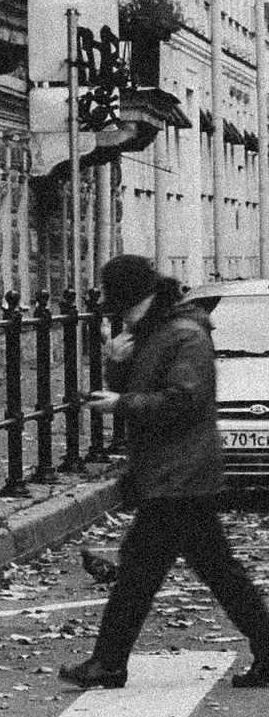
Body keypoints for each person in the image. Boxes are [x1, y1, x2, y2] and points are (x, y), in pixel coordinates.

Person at [59, 252, 269, 693]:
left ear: (134, 294)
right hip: (169, 472)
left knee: (147, 571)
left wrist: (120, 402)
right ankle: (109, 662)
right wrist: (116, 362)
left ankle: (109, 663)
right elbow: (141, 388)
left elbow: (183, 401)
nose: (114, 307)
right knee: (210, 571)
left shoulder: (185, 333)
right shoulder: (152, 330)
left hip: (182, 475)